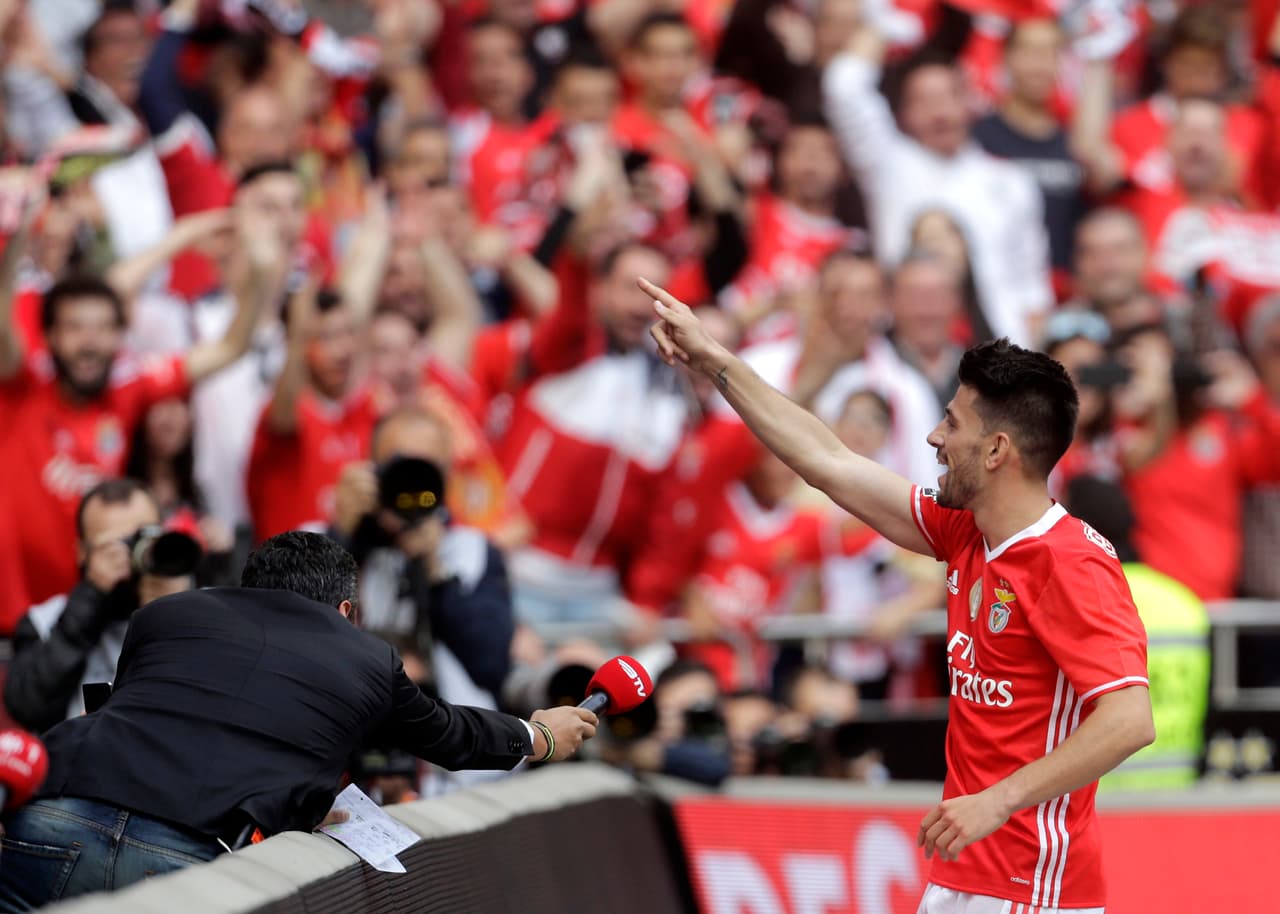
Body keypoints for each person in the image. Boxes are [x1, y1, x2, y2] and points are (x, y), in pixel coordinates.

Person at [645, 276, 1153, 914]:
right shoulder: (966, 532)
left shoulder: (1069, 561)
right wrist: (717, 359)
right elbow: (828, 460)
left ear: (996, 450)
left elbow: (1130, 720)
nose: (934, 440)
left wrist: (996, 800)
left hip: (1032, 889)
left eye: (951, 423)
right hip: (965, 874)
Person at [0, 531, 596, 912]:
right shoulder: (366, 656)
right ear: (345, 612)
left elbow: (140, 716)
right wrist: (538, 736)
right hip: (185, 856)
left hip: (52, 819)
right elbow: (451, 736)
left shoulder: (165, 613)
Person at [4, 479, 194, 734]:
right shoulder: (44, 621)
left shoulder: (197, 610)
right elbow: (27, 705)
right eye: (115, 546)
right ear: (82, 551)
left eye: (142, 538)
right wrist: (90, 598)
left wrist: (172, 614)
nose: (131, 557)